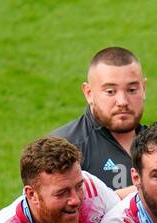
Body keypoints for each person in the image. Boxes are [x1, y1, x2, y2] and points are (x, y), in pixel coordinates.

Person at [50, 47, 147, 192]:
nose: (122, 101)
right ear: (89, 93)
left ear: (144, 88)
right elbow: (53, 209)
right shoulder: (64, 148)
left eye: (132, 90)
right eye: (110, 92)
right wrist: (147, 192)